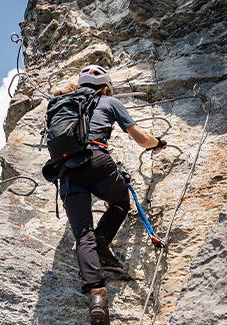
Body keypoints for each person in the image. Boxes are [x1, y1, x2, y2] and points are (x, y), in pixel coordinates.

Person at [53, 64, 166, 324]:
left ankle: (97, 298)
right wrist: (158, 142)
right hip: (96, 162)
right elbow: (141, 139)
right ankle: (102, 238)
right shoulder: (109, 101)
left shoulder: (62, 105)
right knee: (120, 202)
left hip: (67, 172)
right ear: (105, 87)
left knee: (82, 235)